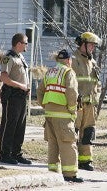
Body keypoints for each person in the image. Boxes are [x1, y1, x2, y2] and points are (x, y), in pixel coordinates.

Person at [37, 49, 83, 183]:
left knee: (53, 143)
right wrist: (73, 110)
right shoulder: (68, 72)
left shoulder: (50, 72)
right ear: (69, 60)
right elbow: (71, 92)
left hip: (49, 114)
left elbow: (40, 91)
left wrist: (45, 106)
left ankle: (53, 172)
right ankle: (69, 174)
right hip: (63, 114)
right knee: (68, 143)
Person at [0, 33, 31, 165]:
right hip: (12, 95)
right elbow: (4, 78)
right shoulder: (8, 57)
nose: (27, 45)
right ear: (18, 43)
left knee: (20, 125)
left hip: (21, 96)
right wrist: (21, 86)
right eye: (25, 43)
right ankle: (5, 153)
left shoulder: (20, 57)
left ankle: (16, 153)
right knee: (9, 124)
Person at [72, 32, 102, 171]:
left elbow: (97, 84)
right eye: (90, 45)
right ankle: (70, 158)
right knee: (73, 132)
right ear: (82, 44)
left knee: (88, 132)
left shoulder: (92, 62)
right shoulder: (73, 60)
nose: (92, 48)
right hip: (76, 104)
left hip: (90, 105)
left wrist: (96, 98)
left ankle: (85, 160)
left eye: (94, 46)